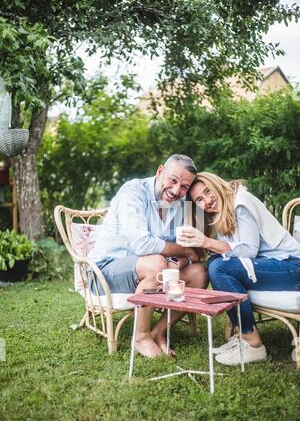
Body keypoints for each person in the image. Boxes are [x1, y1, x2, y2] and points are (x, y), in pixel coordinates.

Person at [90, 155, 208, 358]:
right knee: (156, 263)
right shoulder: (133, 191)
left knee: (199, 273)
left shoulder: (183, 204)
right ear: (160, 170)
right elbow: (141, 244)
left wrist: (176, 260)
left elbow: (195, 252)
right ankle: (141, 337)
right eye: (173, 180)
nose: (175, 191)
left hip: (154, 273)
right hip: (106, 271)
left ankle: (158, 332)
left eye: (184, 187)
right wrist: (180, 252)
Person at [177, 172, 300, 365]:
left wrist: (206, 241)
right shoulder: (225, 208)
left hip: (292, 267)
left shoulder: (241, 203)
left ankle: (252, 345)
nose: (207, 201)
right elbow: (231, 252)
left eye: (208, 192)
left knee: (219, 268)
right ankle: (244, 337)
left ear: (217, 184)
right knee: (216, 264)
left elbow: (248, 251)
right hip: (275, 265)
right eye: (199, 200)